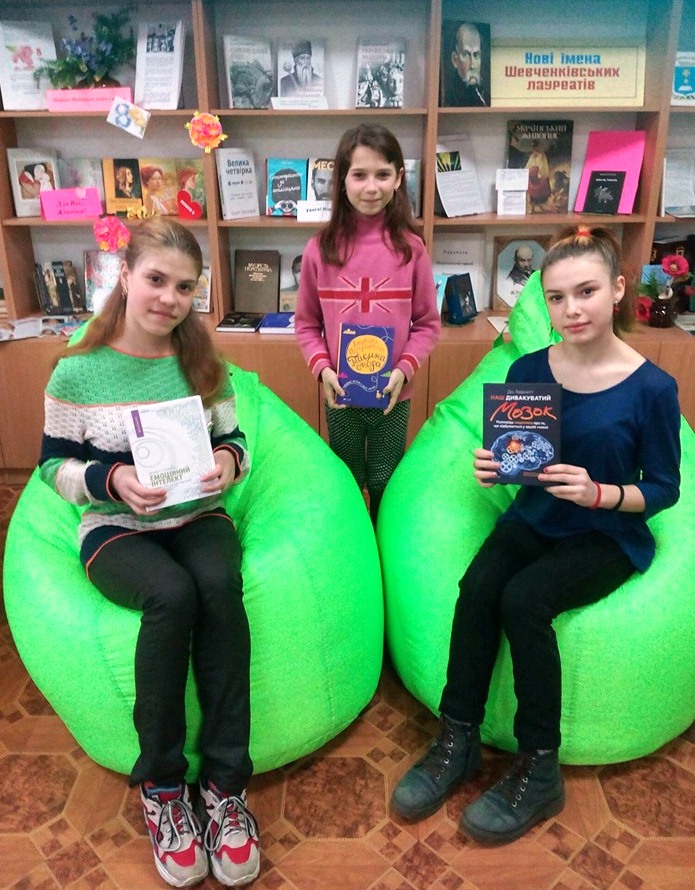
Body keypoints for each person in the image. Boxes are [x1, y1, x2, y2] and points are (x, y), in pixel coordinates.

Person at [391, 225, 681, 844]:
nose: (571, 309)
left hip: (606, 532)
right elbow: (520, 452)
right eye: (556, 297)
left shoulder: (653, 388)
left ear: (618, 290)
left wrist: (600, 493)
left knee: (525, 601)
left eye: (586, 292)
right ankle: (458, 738)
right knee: (478, 588)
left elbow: (663, 489)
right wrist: (493, 465)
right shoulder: (528, 368)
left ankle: (539, 767)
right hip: (535, 517)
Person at [38, 218, 260, 888]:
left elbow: (236, 440)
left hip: (196, 515)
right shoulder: (77, 372)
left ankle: (224, 786)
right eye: (156, 280)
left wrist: (228, 463)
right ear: (125, 275)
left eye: (184, 287)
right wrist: (111, 480)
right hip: (116, 527)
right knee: (172, 594)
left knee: (218, 587)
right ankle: (163, 788)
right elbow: (51, 465)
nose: (169, 298)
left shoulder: (201, 363)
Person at [294, 124, 440, 524]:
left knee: (385, 479)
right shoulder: (320, 249)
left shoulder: (411, 249)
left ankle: (382, 543)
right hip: (339, 394)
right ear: (342, 180)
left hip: (394, 394)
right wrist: (322, 369)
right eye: (359, 175)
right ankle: (354, 545)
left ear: (399, 178)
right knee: (346, 479)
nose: (371, 187)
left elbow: (428, 324)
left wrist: (404, 369)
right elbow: (306, 324)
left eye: (382, 174)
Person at [445, 22, 490, 107]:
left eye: (476, 55)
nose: (472, 65)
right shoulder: (448, 100)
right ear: (455, 60)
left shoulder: (485, 98)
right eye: (465, 54)